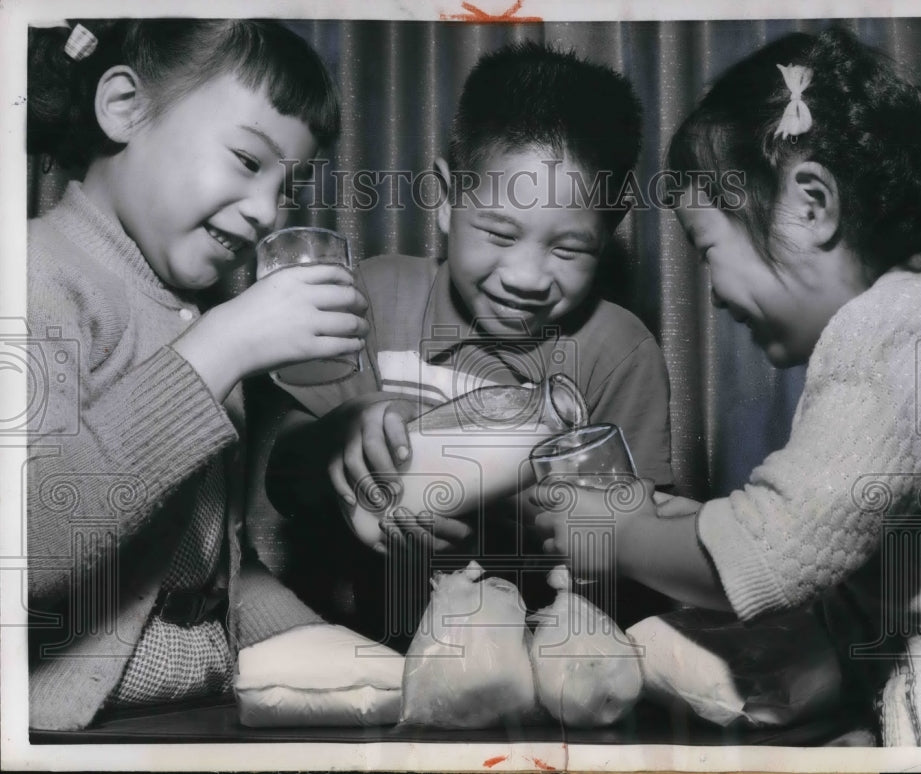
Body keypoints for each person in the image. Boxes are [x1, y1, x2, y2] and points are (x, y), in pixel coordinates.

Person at [534, 26, 921, 746]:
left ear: (810, 205)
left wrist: (614, 535)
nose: (709, 291)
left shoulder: (899, 330)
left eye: (707, 250)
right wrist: (656, 516)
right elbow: (835, 552)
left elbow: (768, 553)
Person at [26, 20, 370, 730]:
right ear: (125, 108)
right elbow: (25, 541)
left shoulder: (199, 313)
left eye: (289, 187)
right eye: (248, 160)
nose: (268, 211)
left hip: (203, 699)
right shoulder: (33, 276)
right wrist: (222, 345)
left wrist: (343, 658)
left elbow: (225, 567)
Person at [266, 42, 674, 629]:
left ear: (608, 235)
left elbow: (642, 558)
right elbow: (283, 481)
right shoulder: (376, 299)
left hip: (553, 668)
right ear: (444, 198)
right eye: (500, 234)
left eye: (568, 248)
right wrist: (339, 440)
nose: (527, 278)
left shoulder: (619, 351)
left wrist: (530, 510)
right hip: (383, 657)